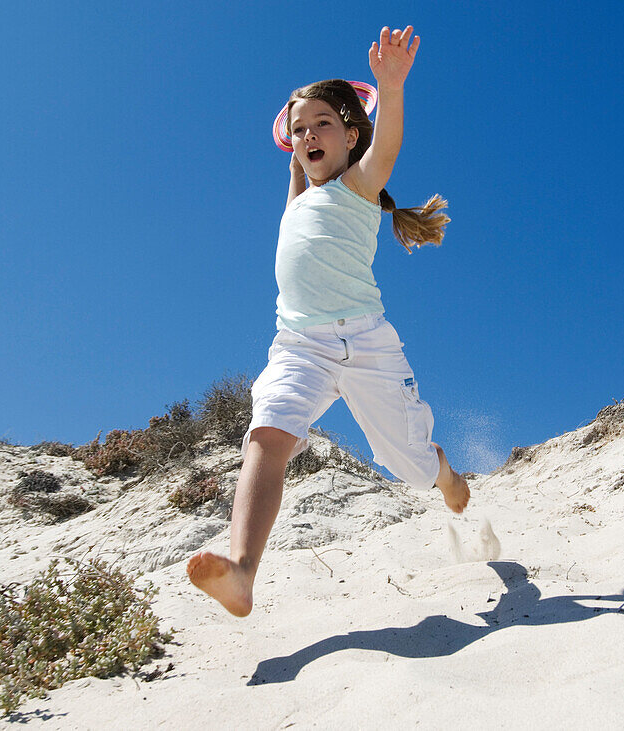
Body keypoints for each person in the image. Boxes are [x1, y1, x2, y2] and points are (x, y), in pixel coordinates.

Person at [187, 25, 469, 617]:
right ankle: (241, 571)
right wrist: (295, 155)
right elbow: (295, 174)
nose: (309, 134)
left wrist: (389, 87)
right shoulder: (296, 202)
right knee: (267, 436)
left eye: (322, 124)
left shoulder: (359, 187)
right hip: (299, 345)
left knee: (409, 467)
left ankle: (445, 476)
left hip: (366, 343)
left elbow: (386, 143)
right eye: (299, 130)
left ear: (349, 136)